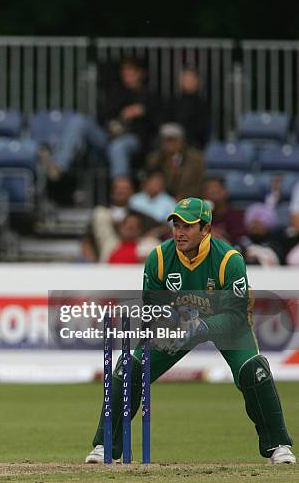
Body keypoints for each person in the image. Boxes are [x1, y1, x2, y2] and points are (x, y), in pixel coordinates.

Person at [85, 197, 295, 464]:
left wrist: (202, 326)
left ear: (205, 229)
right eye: (176, 225)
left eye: (187, 226)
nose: (179, 232)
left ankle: (278, 446)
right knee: (129, 368)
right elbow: (153, 309)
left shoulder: (228, 260)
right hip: (179, 326)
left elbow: (236, 315)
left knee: (255, 370)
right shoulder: (159, 258)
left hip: (226, 325)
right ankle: (106, 446)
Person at [101, 58, 161, 178]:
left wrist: (143, 111)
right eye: (125, 74)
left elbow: (157, 123)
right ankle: (58, 165)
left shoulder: (150, 96)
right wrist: (121, 115)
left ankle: (122, 188)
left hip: (134, 139)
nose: (128, 77)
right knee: (80, 121)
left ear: (141, 74)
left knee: (118, 147)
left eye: (131, 74)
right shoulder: (116, 92)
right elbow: (104, 116)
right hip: (109, 136)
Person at [145, 123, 205, 200]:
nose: (169, 144)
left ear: (181, 141)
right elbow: (149, 182)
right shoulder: (154, 159)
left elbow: (199, 184)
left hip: (189, 201)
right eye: (166, 140)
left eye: (173, 140)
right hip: (160, 201)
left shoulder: (197, 159)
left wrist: (183, 198)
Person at [167, 67, 210, 149]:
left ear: (198, 82)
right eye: (185, 79)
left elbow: (201, 129)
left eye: (191, 79)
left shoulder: (202, 105)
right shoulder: (172, 102)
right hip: (171, 142)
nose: (188, 82)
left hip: (192, 144)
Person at [202, 176, 245, 246]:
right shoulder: (200, 216)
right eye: (208, 190)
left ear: (225, 192)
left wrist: (220, 237)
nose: (211, 192)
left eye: (215, 190)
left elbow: (240, 243)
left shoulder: (236, 216)